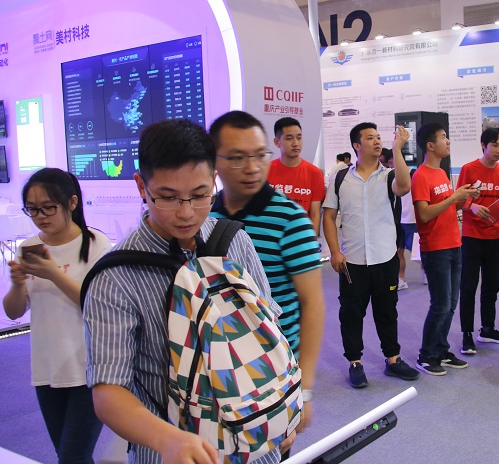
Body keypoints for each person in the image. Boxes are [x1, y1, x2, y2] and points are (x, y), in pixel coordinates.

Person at [83, 120, 292, 464]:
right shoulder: (116, 277)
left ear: (214, 181)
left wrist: (284, 402)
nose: (185, 212)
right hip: (171, 451)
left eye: (199, 195)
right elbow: (108, 391)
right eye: (167, 197)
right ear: (141, 186)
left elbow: (269, 329)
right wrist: (167, 440)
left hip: (255, 442)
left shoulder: (234, 241)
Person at [208, 111, 324, 433]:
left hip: (274, 370)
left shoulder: (290, 219)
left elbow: (313, 304)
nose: (252, 167)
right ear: (214, 161)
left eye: (260, 155)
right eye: (237, 158)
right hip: (219, 369)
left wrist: (305, 388)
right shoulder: (205, 213)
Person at [3, 168, 111, 464]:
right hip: (47, 369)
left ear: (71, 202)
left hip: (90, 369)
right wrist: (17, 284)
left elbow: (97, 304)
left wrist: (53, 273)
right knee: (70, 456)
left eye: (48, 207)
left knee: (72, 456)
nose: (40, 216)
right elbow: (13, 311)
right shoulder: (29, 248)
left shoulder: (97, 245)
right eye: (32, 209)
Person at [322, 122, 419, 388]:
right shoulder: (341, 179)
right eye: (369, 138)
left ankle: (393, 359)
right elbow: (329, 217)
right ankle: (355, 362)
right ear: (357, 145)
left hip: (385, 257)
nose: (377, 141)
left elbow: (404, 186)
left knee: (387, 311)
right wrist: (334, 252)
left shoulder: (389, 176)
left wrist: (398, 148)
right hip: (352, 261)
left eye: (378, 137)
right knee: (351, 314)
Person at [412, 123, 480, 376]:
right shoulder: (421, 176)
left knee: (451, 303)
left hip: (454, 244)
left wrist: (466, 198)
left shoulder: (441, 173)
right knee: (440, 304)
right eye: (443, 137)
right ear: (430, 146)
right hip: (436, 248)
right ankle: (426, 354)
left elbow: (448, 208)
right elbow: (424, 214)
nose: (448, 141)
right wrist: (453, 198)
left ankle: (441, 349)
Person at [458, 128, 499, 356]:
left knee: (492, 285)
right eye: (495, 145)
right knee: (468, 286)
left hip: (494, 237)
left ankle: (488, 328)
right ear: (483, 145)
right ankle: (467, 334)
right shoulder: (469, 169)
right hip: (472, 237)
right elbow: (458, 201)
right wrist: (472, 206)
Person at [268, 117, 326, 236]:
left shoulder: (314, 173)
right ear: (277, 142)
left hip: (301, 237)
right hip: (271, 236)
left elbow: (315, 214)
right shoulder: (265, 171)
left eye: (299, 138)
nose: (296, 143)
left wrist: (311, 241)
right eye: (289, 138)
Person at [378, 147, 409, 290]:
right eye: (389, 163)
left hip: (410, 219)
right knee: (398, 251)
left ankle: (423, 273)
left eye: (393, 162)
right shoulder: (387, 177)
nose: (391, 166)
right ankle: (400, 278)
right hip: (397, 220)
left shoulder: (409, 175)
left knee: (418, 252)